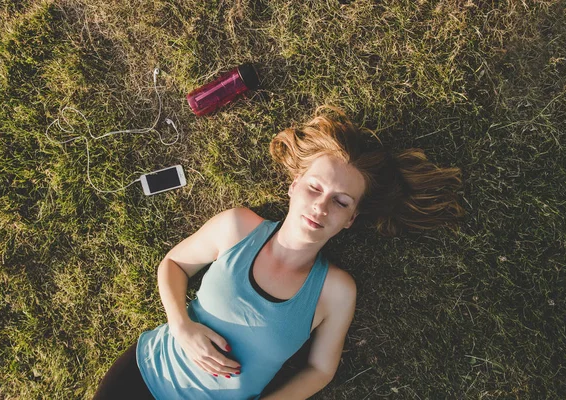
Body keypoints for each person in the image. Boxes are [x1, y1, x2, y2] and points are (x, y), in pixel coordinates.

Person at [92, 106, 464, 400]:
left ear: (351, 219)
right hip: (146, 374)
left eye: (340, 202)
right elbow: (173, 264)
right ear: (294, 186)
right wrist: (181, 326)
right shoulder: (237, 227)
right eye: (314, 188)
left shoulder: (336, 292)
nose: (320, 207)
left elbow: (320, 370)